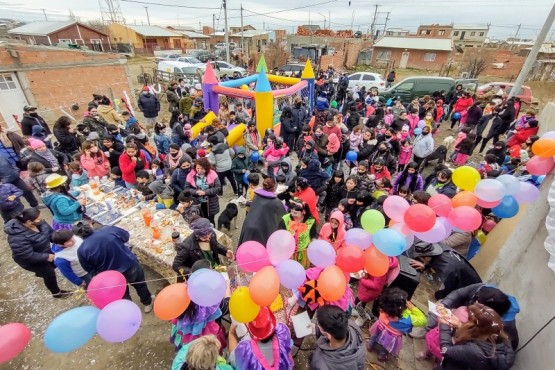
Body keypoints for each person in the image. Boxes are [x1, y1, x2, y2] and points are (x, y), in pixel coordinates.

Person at [74, 222, 153, 312]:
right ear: (91, 225)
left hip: (111, 277)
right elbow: (126, 236)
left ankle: (130, 311)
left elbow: (89, 269)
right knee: (140, 285)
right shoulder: (108, 230)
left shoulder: (82, 250)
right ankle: (148, 303)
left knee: (122, 294)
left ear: (78, 236)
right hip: (129, 265)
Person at [4, 207, 71, 298]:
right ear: (29, 222)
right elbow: (26, 255)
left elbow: (51, 233)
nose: (42, 220)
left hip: (43, 249)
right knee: (49, 273)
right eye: (39, 219)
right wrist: (46, 257)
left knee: (55, 262)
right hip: (30, 260)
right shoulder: (17, 237)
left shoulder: (40, 222)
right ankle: (56, 293)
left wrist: (59, 241)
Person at [435, 303, 515, 370]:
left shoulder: (474, 351)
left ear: (475, 326)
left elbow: (445, 350)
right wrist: (460, 325)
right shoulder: (502, 340)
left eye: (469, 319)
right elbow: (480, 335)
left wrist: (444, 325)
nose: (465, 321)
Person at [407, 242, 482, 300]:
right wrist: (425, 266)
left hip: (473, 292)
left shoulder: (445, 269)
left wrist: (435, 295)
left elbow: (447, 290)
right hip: (472, 281)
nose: (420, 261)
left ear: (426, 258)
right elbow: (434, 262)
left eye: (420, 259)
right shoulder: (443, 251)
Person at [369, 287, 427, 361]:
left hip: (380, 328)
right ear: (402, 308)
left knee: (374, 337)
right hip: (391, 337)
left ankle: (369, 346)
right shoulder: (408, 320)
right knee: (386, 347)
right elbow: (423, 320)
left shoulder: (383, 309)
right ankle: (381, 356)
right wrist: (413, 308)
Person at [229, 306, 294, 370]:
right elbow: (288, 346)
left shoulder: (245, 349)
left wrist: (231, 335)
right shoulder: (282, 332)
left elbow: (234, 361)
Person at [310, 305, 366, 370]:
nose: (317, 325)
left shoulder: (321, 363)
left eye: (318, 325)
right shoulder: (352, 326)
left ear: (328, 335)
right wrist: (317, 330)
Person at [239, 177, 286, 245]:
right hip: (263, 229)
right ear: (274, 187)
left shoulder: (256, 196)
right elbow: (283, 214)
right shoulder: (276, 202)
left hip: (249, 226)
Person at [279, 198, 317, 268]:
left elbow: (313, 234)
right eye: (291, 211)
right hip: (288, 252)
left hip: (303, 252)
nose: (293, 214)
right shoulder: (285, 219)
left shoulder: (310, 221)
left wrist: (314, 241)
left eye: (295, 213)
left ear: (303, 212)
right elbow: (280, 234)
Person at [184, 157, 222, 225]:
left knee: (210, 220)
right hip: (197, 202)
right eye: (198, 168)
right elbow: (186, 188)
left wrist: (205, 192)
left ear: (206, 168)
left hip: (210, 202)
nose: (199, 170)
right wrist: (195, 192)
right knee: (200, 219)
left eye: (202, 168)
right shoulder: (191, 175)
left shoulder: (212, 173)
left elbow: (218, 187)